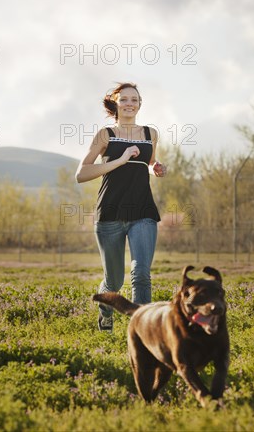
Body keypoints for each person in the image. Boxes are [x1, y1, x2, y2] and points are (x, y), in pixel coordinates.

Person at [75, 82, 167, 332]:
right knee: (114, 281)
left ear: (140, 104)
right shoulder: (104, 134)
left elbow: (148, 160)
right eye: (124, 99)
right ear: (115, 103)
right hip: (110, 213)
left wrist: (156, 167)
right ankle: (106, 310)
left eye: (134, 100)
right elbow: (81, 174)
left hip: (143, 212)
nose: (130, 104)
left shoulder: (150, 133)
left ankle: (144, 332)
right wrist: (121, 159)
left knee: (141, 274)